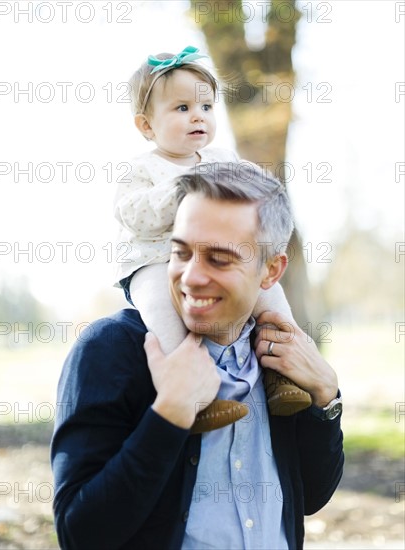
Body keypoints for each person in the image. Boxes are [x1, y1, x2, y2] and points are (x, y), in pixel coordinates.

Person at [51, 161, 344, 550]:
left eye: (219, 259)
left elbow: (310, 497)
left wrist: (326, 397)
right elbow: (80, 534)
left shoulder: (282, 369)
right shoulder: (108, 352)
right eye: (181, 253)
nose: (191, 276)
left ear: (271, 271)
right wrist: (169, 416)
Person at [114, 46, 311, 426]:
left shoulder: (224, 158)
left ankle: (281, 373)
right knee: (165, 321)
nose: (197, 117)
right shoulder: (143, 169)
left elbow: (256, 190)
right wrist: (181, 188)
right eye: (182, 108)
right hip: (154, 263)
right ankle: (197, 398)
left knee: (271, 296)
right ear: (147, 125)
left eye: (206, 107)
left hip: (221, 258)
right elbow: (131, 214)